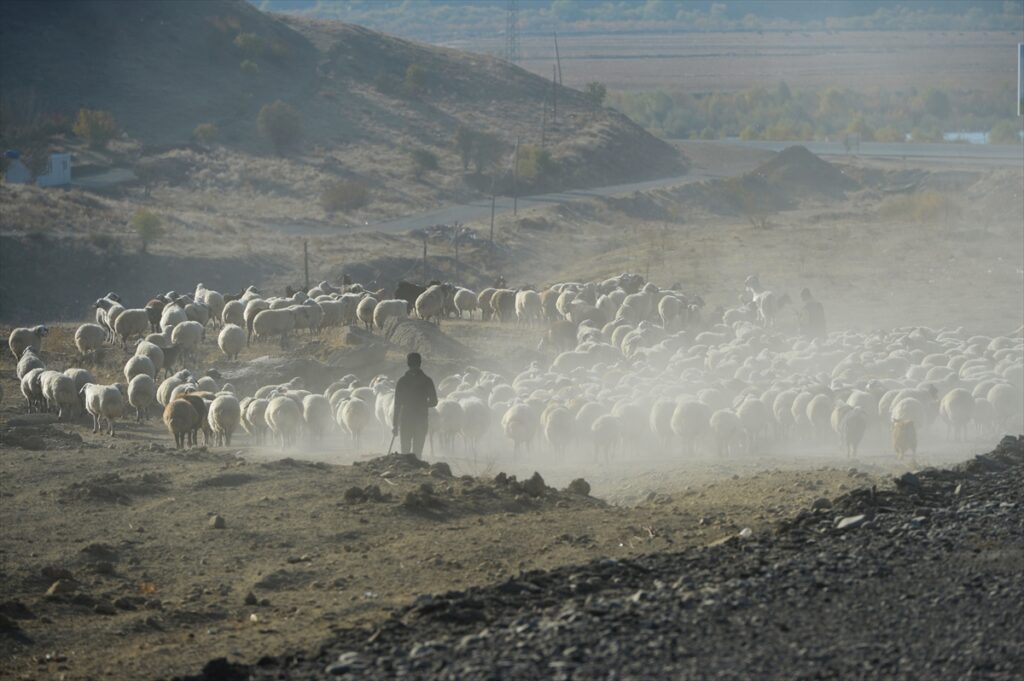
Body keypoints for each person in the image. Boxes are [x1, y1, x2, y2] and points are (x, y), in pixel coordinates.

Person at [392, 352, 438, 457]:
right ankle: (416, 472)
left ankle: (406, 472)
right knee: (418, 452)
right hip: (421, 420)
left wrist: (395, 425)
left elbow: (397, 404)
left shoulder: (402, 381)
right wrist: (422, 404)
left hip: (405, 420)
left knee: (405, 451)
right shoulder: (427, 381)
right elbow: (434, 402)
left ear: (408, 363)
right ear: (420, 363)